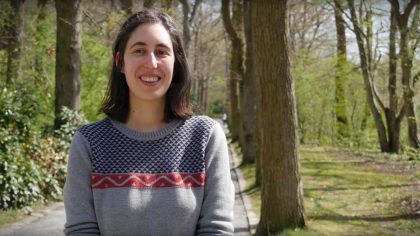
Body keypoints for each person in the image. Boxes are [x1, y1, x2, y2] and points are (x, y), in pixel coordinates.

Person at [63, 10, 234, 236]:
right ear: (120, 62)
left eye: (162, 52)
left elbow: (217, 229)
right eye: (139, 51)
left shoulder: (205, 137)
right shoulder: (89, 142)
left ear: (176, 62)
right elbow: (80, 230)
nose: (151, 62)